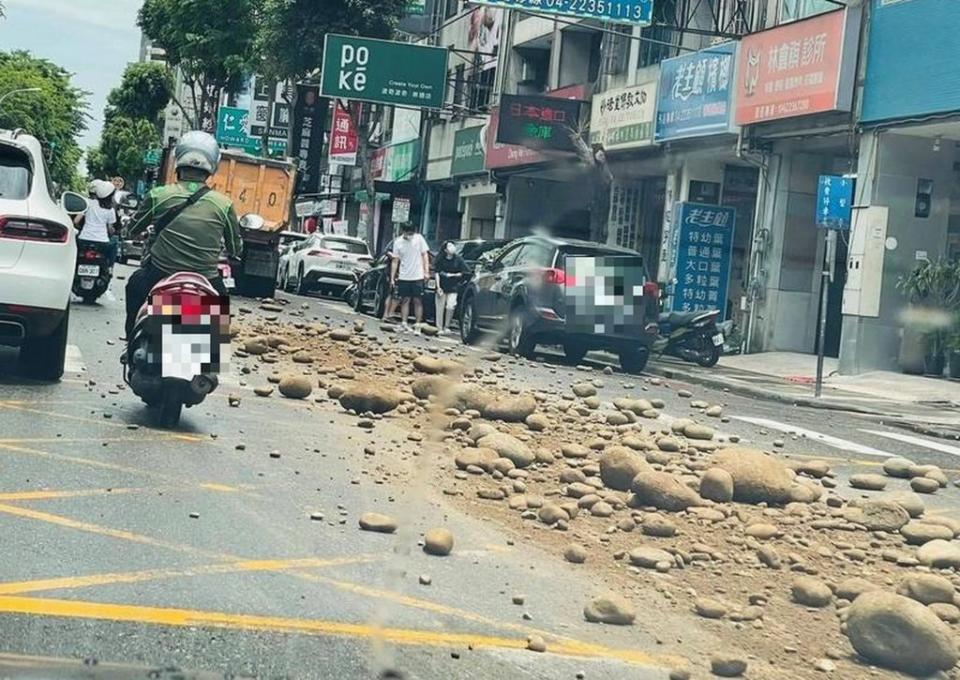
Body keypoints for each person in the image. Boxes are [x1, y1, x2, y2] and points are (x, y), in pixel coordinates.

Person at [123, 131, 242, 341]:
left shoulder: (158, 195)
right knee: (222, 307)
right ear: (211, 169)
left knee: (134, 286)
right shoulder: (224, 204)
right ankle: (207, 366)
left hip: (159, 274)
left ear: (178, 164)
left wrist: (135, 232)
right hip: (206, 279)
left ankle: (131, 344)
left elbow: (133, 228)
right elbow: (235, 248)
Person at [389, 223, 430, 333]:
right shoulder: (398, 242)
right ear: (404, 232)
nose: (410, 235)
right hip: (404, 275)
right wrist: (392, 278)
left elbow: (425, 255)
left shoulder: (419, 238)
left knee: (418, 300)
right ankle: (404, 323)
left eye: (412, 233)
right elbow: (395, 260)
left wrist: (426, 271)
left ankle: (417, 324)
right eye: (408, 233)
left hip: (418, 275)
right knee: (405, 300)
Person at [74, 179, 118, 268]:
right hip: (102, 243)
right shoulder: (111, 210)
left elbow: (76, 221)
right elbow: (110, 229)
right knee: (115, 242)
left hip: (83, 239)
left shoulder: (87, 203)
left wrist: (80, 229)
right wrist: (112, 232)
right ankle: (110, 267)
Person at [434, 241, 469, 334]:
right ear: (445, 250)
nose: (452, 247)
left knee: (450, 306)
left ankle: (447, 326)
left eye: (452, 245)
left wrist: (456, 275)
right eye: (449, 246)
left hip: (453, 287)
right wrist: (438, 287)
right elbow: (437, 273)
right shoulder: (440, 259)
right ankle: (439, 328)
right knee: (440, 308)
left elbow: (466, 271)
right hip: (442, 285)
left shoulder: (458, 259)